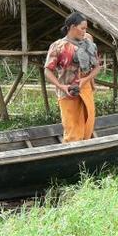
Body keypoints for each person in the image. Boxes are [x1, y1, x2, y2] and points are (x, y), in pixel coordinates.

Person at [44, 12, 101, 143]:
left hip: (85, 89)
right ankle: (71, 154)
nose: (84, 31)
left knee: (88, 124)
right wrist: (61, 86)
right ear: (72, 27)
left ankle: (84, 157)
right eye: (82, 28)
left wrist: (85, 80)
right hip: (67, 92)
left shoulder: (88, 43)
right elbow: (48, 71)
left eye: (86, 28)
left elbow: (97, 67)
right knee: (72, 130)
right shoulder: (58, 46)